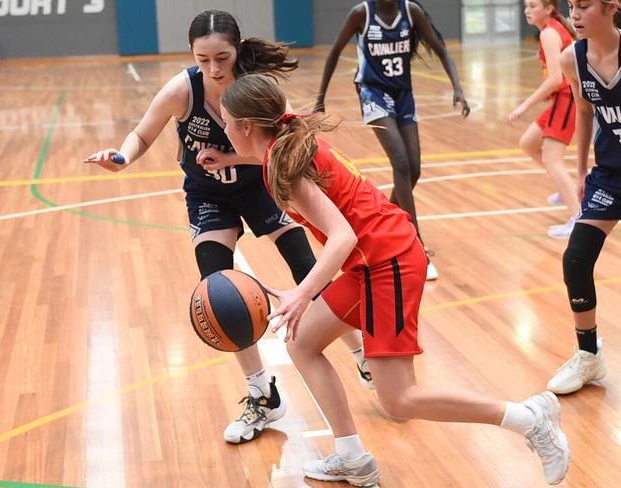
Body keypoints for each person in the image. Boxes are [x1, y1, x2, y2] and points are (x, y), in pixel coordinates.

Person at [218, 73, 570, 486]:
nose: (224, 131)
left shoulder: (287, 170)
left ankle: (529, 419)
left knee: (399, 398)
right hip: (374, 261)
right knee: (301, 342)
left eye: (227, 123)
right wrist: (231, 160)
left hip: (389, 265)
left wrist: (301, 293)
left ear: (246, 126)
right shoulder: (287, 143)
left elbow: (342, 236)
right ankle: (351, 455)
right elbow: (339, 228)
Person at [83, 9, 371, 445]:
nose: (214, 69)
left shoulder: (258, 88)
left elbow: (290, 143)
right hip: (208, 195)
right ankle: (263, 394)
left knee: (308, 268)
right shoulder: (183, 89)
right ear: (192, 56)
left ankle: (360, 353)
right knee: (221, 293)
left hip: (264, 186)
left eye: (222, 57)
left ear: (237, 50)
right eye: (203, 60)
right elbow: (141, 135)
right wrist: (121, 158)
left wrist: (236, 159)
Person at [314, 0, 471, 281]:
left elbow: (441, 49)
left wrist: (457, 87)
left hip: (402, 95)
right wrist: (320, 98)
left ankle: (383, 219)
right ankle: (416, 245)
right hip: (372, 92)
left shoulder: (411, 11)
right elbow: (335, 52)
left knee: (414, 169)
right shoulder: (362, 13)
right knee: (400, 161)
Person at [546, 0, 620, 394]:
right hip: (609, 176)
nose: (574, 14)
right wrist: (579, 170)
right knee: (576, 260)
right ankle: (589, 356)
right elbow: (585, 111)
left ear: (611, 8)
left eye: (584, 6)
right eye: (571, 6)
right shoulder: (571, 59)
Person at [507, 0, 580, 239]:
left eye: (533, 5)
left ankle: (577, 219)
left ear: (548, 9)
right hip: (562, 98)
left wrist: (523, 106)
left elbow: (555, 80)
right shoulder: (552, 28)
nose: (527, 10)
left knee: (552, 158)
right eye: (526, 5)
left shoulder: (549, 33)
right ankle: (565, 185)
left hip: (568, 98)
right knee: (528, 143)